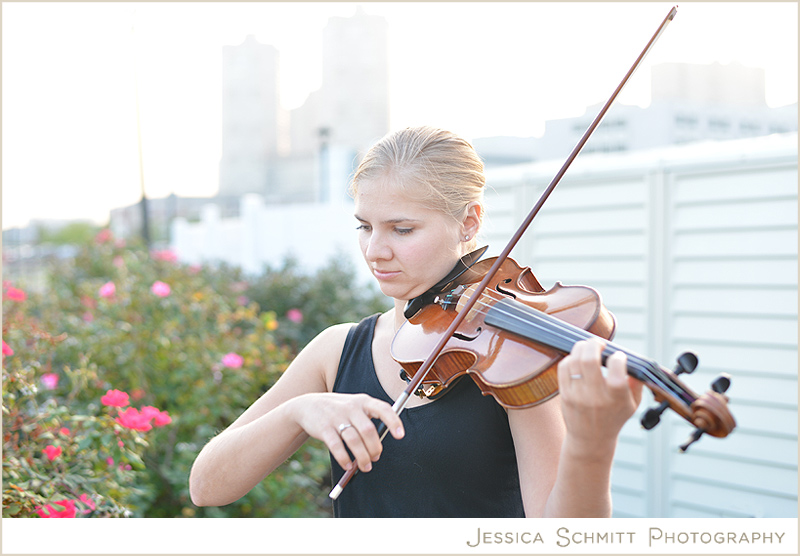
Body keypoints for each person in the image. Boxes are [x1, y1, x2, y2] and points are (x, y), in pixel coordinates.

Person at [189, 126, 643, 517]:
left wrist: (592, 445)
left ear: (469, 221)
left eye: (402, 230)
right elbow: (207, 486)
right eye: (365, 226)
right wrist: (299, 410)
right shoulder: (337, 349)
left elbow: (564, 536)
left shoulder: (508, 360)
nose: (375, 250)